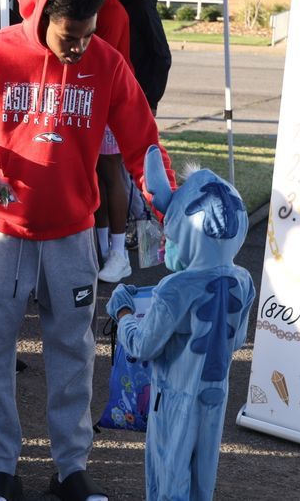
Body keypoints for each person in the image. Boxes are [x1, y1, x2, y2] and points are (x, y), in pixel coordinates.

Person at [0, 0, 174, 501]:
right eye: (70, 36)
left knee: (73, 353)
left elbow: (142, 141)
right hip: (3, 232)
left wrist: (169, 203)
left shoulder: (106, 63)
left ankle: (70, 469)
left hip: (70, 233)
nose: (81, 46)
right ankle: (2, 469)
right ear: (37, 13)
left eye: (89, 34)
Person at [106, 148, 255, 501]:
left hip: (174, 396)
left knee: (168, 472)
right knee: (203, 476)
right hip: (215, 395)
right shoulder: (244, 280)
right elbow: (237, 341)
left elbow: (142, 345)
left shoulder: (175, 289)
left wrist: (123, 312)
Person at [92, 0, 134, 284]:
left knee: (110, 173)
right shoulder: (101, 6)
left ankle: (117, 252)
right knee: (101, 176)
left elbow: (99, 61)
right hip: (100, 103)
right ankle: (104, 247)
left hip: (111, 103)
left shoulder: (108, 10)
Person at [96, 0, 171, 114]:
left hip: (137, 88)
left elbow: (161, 54)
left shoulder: (139, 6)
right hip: (120, 86)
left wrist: (151, 99)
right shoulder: (113, 5)